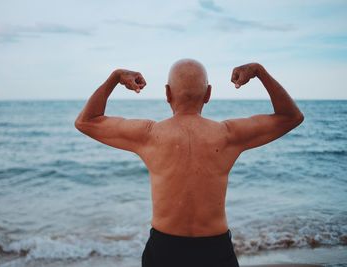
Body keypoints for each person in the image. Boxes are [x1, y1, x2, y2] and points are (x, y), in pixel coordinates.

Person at [74, 59, 304, 267]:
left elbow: (87, 121)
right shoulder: (228, 135)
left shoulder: (148, 134)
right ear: (208, 94)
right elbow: (290, 116)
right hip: (216, 252)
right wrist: (259, 71)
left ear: (167, 93)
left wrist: (115, 77)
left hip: (164, 252)